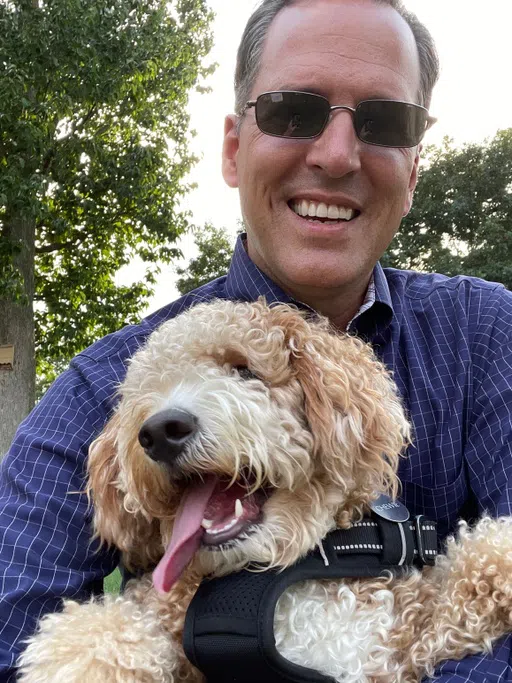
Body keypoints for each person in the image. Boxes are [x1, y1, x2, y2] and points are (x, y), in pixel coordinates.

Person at [1, 0, 512, 680]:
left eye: (384, 122)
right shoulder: (103, 386)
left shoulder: (485, 332)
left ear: (414, 167)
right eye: (293, 111)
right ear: (235, 149)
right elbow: (13, 639)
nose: (335, 155)